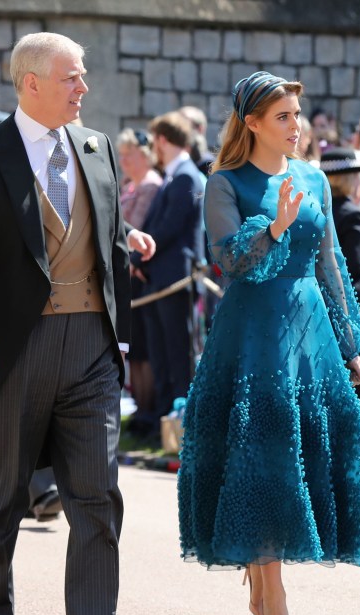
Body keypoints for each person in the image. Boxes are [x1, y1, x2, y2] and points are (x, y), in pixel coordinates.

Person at [0, 31, 150, 615]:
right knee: (1, 495)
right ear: (31, 82)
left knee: (96, 490)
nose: (84, 88)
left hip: (91, 343)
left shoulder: (98, 146)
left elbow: (105, 233)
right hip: (11, 347)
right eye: (71, 77)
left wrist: (130, 250)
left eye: (82, 77)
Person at [177, 71, 360, 615]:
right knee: (260, 456)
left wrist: (348, 345)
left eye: (297, 115)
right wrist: (277, 225)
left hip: (309, 333)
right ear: (253, 123)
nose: (296, 126)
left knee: (301, 454)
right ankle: (274, 594)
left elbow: (331, 264)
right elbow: (231, 263)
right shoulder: (224, 183)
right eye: (283, 116)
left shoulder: (313, 176)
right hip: (251, 335)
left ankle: (264, 574)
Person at [134, 111, 204, 427]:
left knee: (178, 356)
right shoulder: (174, 176)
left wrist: (137, 258)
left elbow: (168, 229)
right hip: (158, 278)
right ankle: (162, 419)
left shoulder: (187, 175)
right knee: (161, 354)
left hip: (176, 279)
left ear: (162, 140)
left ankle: (180, 422)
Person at [117, 127, 162, 435]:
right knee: (134, 349)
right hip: (127, 274)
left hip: (142, 273)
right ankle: (140, 409)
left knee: (144, 347)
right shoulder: (129, 185)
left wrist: (131, 262)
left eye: (129, 154)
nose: (124, 161)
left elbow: (140, 225)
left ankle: (147, 411)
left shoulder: (149, 185)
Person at [319, 148, 360, 367]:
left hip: (323, 301)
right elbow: (354, 263)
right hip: (354, 303)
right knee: (359, 383)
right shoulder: (352, 214)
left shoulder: (316, 210)